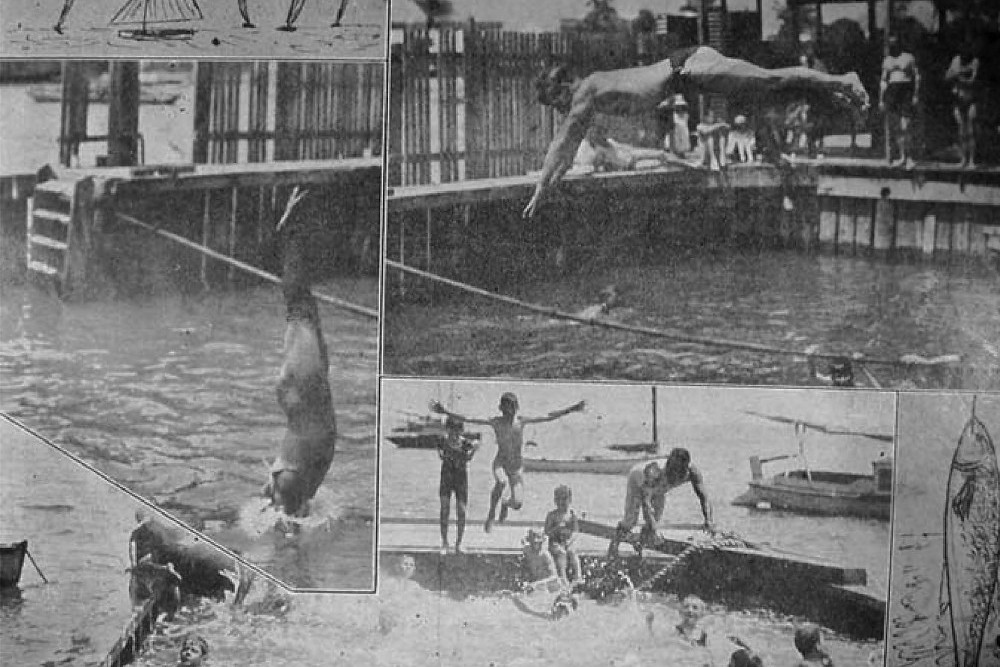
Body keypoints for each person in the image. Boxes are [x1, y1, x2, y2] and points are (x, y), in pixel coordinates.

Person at [524, 45, 869, 218]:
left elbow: (561, 141)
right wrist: (546, 189)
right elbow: (566, 151)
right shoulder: (586, 101)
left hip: (689, 67)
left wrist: (541, 185)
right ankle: (838, 92)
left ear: (564, 86)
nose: (557, 108)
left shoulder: (586, 90)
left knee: (771, 79)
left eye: (554, 100)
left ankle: (844, 81)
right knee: (768, 89)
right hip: (690, 75)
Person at [263, 187, 337, 518]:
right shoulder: (290, 481)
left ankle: (288, 237)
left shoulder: (289, 482)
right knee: (302, 309)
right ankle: (288, 237)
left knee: (302, 309)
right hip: (310, 439)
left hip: (306, 437)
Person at [432, 393, 586, 532]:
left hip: (516, 468)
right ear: (501, 409)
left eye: (511, 408)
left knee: (518, 503)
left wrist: (572, 409)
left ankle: (505, 503)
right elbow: (469, 418)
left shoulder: (521, 421)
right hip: (500, 462)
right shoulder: (496, 422)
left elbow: (548, 416)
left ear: (516, 407)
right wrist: (445, 411)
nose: (508, 412)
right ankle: (491, 513)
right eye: (505, 409)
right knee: (501, 481)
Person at [608, 447, 714, 558]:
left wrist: (709, 520)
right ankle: (613, 548)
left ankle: (640, 550)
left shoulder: (693, 472)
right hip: (637, 481)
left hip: (659, 489)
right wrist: (654, 529)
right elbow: (646, 503)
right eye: (672, 470)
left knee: (654, 522)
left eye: (678, 471)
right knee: (630, 520)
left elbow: (704, 497)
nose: (674, 474)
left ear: (685, 468)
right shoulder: (654, 471)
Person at [438, 415, 479, 553]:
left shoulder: (466, 443)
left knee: (461, 511)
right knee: (445, 509)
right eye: (452, 431)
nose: (454, 434)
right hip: (446, 477)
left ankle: (459, 542)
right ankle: (444, 542)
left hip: (460, 478)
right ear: (447, 430)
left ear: (461, 431)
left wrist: (473, 450)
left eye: (457, 431)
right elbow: (441, 455)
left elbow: (467, 458)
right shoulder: (442, 441)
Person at [880, 34, 920, 169]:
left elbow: (917, 77)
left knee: (906, 126)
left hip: (905, 90)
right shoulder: (887, 60)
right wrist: (881, 99)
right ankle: (902, 157)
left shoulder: (908, 58)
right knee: (896, 128)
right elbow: (883, 81)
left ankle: (910, 158)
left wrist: (915, 95)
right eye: (890, 44)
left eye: (895, 43)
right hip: (892, 92)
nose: (893, 46)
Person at [945, 39, 981, 169]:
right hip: (958, 99)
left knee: (971, 129)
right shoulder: (955, 60)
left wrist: (958, 76)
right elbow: (947, 76)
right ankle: (963, 159)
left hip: (970, 99)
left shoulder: (975, 61)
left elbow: (972, 81)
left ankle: (972, 160)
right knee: (961, 130)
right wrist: (958, 74)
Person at [544, 484, 582, 585]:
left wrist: (570, 542)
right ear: (555, 500)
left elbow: (575, 531)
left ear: (570, 500)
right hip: (555, 542)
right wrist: (556, 529)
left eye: (564, 499)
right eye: (558, 499)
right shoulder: (552, 515)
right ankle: (563, 577)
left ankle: (578, 576)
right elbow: (547, 532)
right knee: (561, 553)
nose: (561, 502)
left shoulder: (572, 515)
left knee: (572, 551)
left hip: (568, 541)